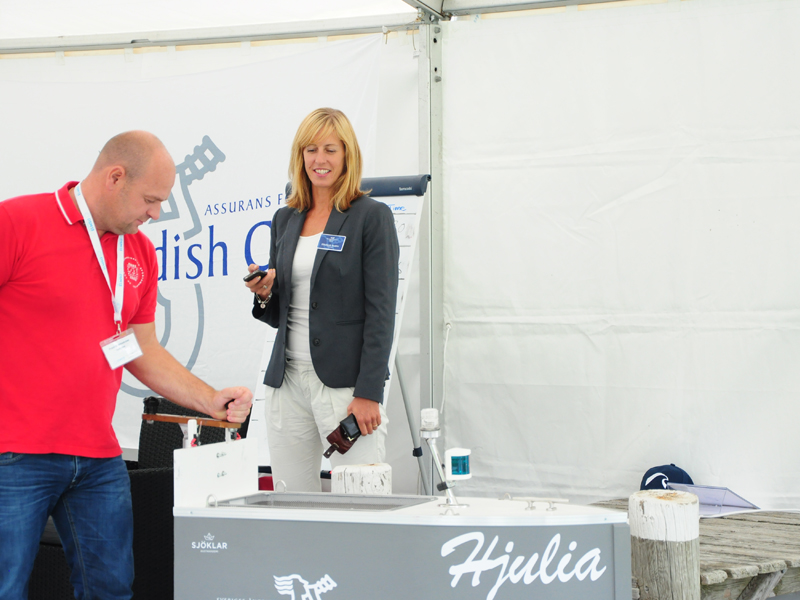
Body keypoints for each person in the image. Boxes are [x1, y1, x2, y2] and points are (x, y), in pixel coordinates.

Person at [0, 131, 252, 600]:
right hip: (15, 453)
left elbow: (141, 349)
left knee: (112, 589)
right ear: (115, 177)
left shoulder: (139, 251)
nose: (155, 214)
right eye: (150, 200)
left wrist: (209, 400)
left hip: (98, 458)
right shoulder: (17, 222)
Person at [245, 108, 399, 492]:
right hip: (286, 382)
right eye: (311, 149)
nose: (320, 159)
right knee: (292, 500)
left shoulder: (371, 217)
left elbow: (381, 312)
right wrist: (265, 294)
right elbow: (280, 312)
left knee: (361, 500)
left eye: (330, 149)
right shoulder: (285, 219)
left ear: (347, 154)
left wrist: (368, 392)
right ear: (300, 156)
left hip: (344, 387)